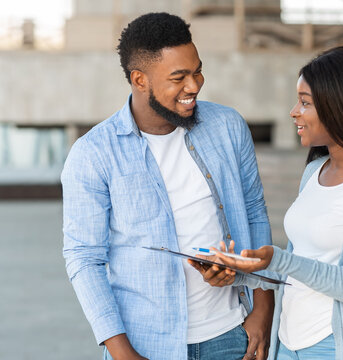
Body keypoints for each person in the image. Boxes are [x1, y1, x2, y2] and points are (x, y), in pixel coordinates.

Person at [62, 12, 274, 360]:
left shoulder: (228, 126)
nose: (194, 86)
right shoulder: (93, 154)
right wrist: (122, 353)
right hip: (144, 344)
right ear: (140, 79)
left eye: (197, 71)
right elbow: (84, 258)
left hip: (231, 334)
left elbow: (253, 212)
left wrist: (263, 308)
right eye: (179, 77)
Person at [192, 46, 343, 360]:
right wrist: (240, 272)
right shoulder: (315, 171)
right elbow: (300, 262)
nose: (294, 112)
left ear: (342, 107)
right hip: (288, 343)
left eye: (305, 103)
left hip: (334, 347)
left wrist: (279, 259)